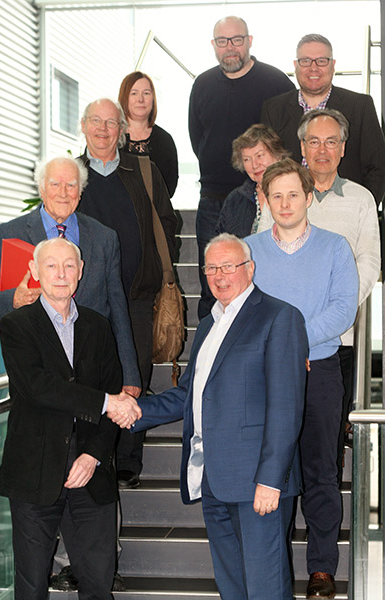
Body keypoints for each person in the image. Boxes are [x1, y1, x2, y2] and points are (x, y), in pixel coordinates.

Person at [112, 234, 309, 599]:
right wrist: (133, 410)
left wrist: (271, 480)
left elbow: (286, 407)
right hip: (214, 478)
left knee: (266, 586)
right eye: (211, 268)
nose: (219, 276)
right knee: (231, 584)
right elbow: (188, 395)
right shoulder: (207, 324)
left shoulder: (279, 317)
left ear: (249, 269)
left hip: (257, 484)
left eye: (228, 267)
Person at [0, 155, 139, 592]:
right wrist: (12, 299)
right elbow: (37, 387)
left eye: (69, 267)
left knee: (97, 582)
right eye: (51, 267)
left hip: (89, 466)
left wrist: (93, 452)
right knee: (31, 584)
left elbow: (110, 370)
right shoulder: (18, 324)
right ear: (36, 269)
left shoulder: (96, 321)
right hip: (34, 467)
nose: (61, 274)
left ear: (80, 272)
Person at [245, 159, 359, 599]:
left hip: (321, 373)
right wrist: (283, 353)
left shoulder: (334, 247)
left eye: (294, 194)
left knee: (320, 473)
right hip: (266, 376)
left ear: (309, 197)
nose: (286, 202)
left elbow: (342, 309)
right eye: (277, 195)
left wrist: (293, 345)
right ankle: (273, 567)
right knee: (273, 471)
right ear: (265, 200)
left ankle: (321, 570)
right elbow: (244, 311)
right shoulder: (249, 250)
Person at [258, 109, 381, 482]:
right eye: (314, 141)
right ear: (302, 147)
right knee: (280, 448)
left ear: (343, 149)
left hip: (337, 341)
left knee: (323, 450)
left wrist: (334, 310)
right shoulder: (283, 194)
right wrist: (289, 335)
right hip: (279, 345)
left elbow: (369, 262)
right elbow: (266, 258)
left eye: (331, 142)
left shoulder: (361, 199)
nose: (322, 149)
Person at [78, 98, 177, 490]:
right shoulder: (73, 174)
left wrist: (156, 267)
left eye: (111, 123)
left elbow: (166, 221)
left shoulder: (143, 170)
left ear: (122, 130)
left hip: (136, 293)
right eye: (95, 122)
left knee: (133, 373)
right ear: (83, 127)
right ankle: (95, 453)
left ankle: (129, 457)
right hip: (83, 299)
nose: (103, 129)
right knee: (90, 376)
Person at [188, 15, 295, 318]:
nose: (230, 47)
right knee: (213, 281)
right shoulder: (203, 84)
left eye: (236, 40)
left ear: (249, 41)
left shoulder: (274, 81)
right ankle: (211, 352)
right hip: (214, 198)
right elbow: (198, 138)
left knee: (261, 278)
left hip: (262, 197)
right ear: (214, 45)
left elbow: (285, 139)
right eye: (223, 41)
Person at [260, 33, 385, 205]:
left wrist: (361, 208)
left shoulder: (360, 106)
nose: (313, 68)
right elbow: (266, 168)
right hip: (290, 211)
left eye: (321, 61)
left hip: (344, 209)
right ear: (295, 66)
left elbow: (378, 167)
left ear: (333, 65)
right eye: (305, 61)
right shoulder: (273, 109)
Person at [216, 123, 290, 238]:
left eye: (259, 156)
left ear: (277, 155)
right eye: (247, 159)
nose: (254, 165)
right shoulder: (236, 200)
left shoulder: (297, 193)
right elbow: (222, 243)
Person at [119, 71, 179, 197]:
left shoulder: (165, 140)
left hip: (155, 214)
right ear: (125, 97)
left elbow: (170, 186)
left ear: (153, 99)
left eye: (146, 93)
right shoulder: (110, 137)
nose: (140, 99)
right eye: (134, 93)